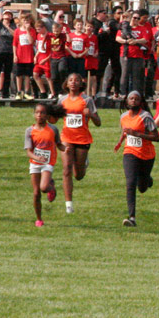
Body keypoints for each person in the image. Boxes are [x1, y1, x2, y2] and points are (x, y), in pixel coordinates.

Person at [113, 91, 158, 227]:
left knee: (142, 187)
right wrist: (120, 141)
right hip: (130, 152)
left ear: (140, 102)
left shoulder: (145, 117)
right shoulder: (123, 116)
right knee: (130, 183)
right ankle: (132, 217)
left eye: (136, 99)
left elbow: (156, 137)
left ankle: (147, 179)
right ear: (127, 101)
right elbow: (126, 130)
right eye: (131, 99)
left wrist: (137, 134)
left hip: (146, 155)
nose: (133, 101)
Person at [58, 73, 100, 214]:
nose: (73, 82)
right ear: (67, 83)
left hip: (82, 139)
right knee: (66, 169)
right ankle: (69, 205)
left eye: (76, 80)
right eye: (70, 80)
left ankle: (84, 163)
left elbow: (98, 123)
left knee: (78, 175)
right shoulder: (62, 100)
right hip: (66, 139)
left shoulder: (87, 100)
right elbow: (53, 118)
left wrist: (91, 115)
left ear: (81, 83)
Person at [25, 103, 62, 227]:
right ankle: (39, 218)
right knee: (36, 193)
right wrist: (37, 157)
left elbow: (58, 144)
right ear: (34, 114)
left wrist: (66, 148)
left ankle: (51, 187)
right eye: (37, 113)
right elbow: (29, 152)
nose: (39, 115)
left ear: (47, 116)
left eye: (42, 113)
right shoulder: (30, 131)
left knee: (43, 187)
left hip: (47, 162)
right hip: (35, 163)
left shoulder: (53, 129)